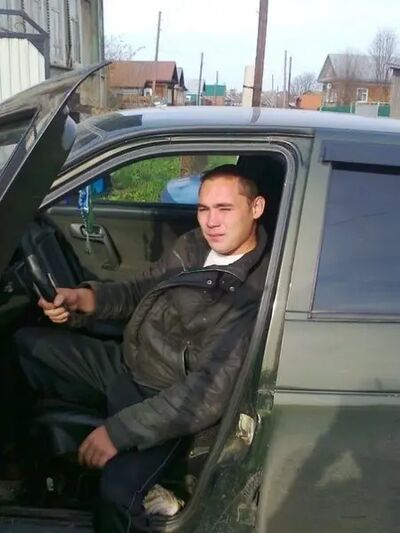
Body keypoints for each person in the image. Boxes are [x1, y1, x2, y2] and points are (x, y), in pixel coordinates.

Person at [15, 164, 270, 532]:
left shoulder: (253, 293)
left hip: (168, 399)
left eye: (224, 209)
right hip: (128, 362)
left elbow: (206, 393)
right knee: (26, 347)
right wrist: (84, 299)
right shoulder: (194, 246)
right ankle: (17, 469)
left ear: (256, 208)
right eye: (203, 209)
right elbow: (141, 288)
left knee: (119, 497)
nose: (211, 222)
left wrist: (119, 431)